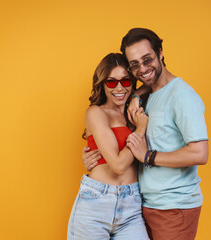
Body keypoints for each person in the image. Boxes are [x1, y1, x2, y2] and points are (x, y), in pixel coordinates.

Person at [83, 28, 209, 240]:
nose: (142, 69)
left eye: (147, 59)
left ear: (160, 53)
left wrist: (148, 156)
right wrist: (95, 157)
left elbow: (199, 153)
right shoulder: (147, 94)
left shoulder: (182, 96)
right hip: (142, 206)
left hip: (174, 207)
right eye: (134, 64)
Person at [67, 53, 149, 240]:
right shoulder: (96, 113)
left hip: (131, 206)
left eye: (126, 81)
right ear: (102, 84)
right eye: (111, 82)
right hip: (95, 204)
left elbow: (155, 81)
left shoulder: (134, 111)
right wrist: (139, 130)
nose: (119, 88)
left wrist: (136, 96)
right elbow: (119, 166)